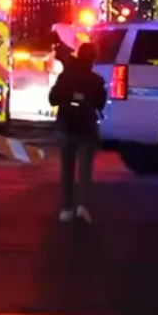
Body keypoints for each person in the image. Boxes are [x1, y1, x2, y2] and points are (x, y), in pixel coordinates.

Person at [48, 42, 107, 224]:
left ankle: (66, 209)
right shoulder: (97, 80)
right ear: (94, 58)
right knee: (85, 170)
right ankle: (82, 206)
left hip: (66, 125)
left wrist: (70, 97)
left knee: (67, 169)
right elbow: (100, 104)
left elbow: (53, 99)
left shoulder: (65, 76)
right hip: (86, 127)